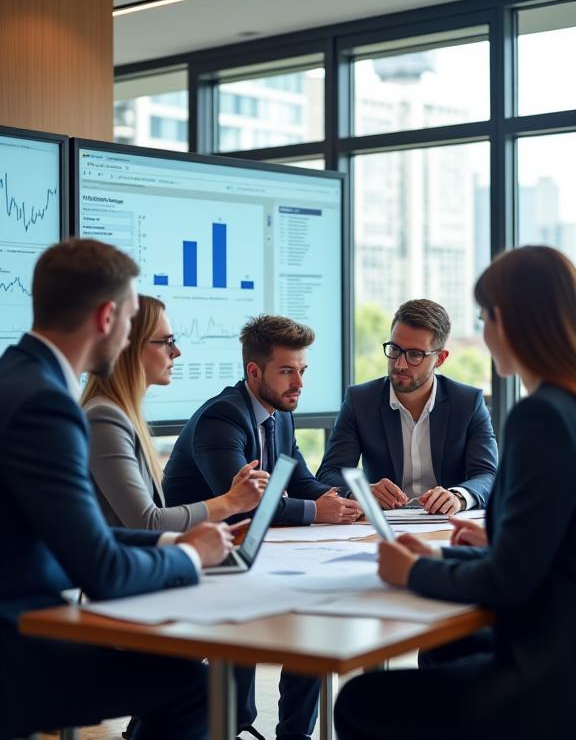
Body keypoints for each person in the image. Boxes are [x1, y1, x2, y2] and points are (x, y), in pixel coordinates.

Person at [334, 246, 576, 739]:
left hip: (544, 677)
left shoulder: (541, 417)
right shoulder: (565, 408)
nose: (484, 333)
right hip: (560, 654)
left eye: (486, 317)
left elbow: (508, 583)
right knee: (446, 651)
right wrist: (487, 549)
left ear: (509, 322)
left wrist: (416, 569)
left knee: (360, 700)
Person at [0, 239, 234, 740]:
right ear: (107, 318)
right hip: (13, 638)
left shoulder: (15, 376)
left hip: (25, 614)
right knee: (193, 683)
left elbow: (85, 532)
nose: (129, 335)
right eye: (131, 322)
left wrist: (174, 544)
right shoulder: (47, 405)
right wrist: (190, 560)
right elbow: (101, 568)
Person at [163, 314, 362, 740]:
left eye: (303, 371)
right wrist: (314, 511)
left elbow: (301, 481)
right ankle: (198, 724)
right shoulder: (222, 418)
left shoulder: (280, 414)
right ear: (254, 372)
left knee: (315, 618)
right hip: (198, 557)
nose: (299, 383)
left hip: (249, 553)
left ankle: (294, 735)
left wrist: (345, 502)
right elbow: (245, 503)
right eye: (287, 371)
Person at [81, 295, 266, 531]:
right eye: (167, 341)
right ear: (130, 346)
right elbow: (148, 522)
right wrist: (231, 501)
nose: (176, 352)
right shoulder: (104, 418)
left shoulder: (120, 414)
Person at [317, 299, 498, 514]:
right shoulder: (360, 401)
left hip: (447, 523)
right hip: (380, 526)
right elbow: (329, 472)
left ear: (440, 359)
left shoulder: (468, 402)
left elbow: (488, 475)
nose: (400, 364)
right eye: (394, 349)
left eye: (415, 354)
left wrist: (458, 496)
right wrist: (362, 491)